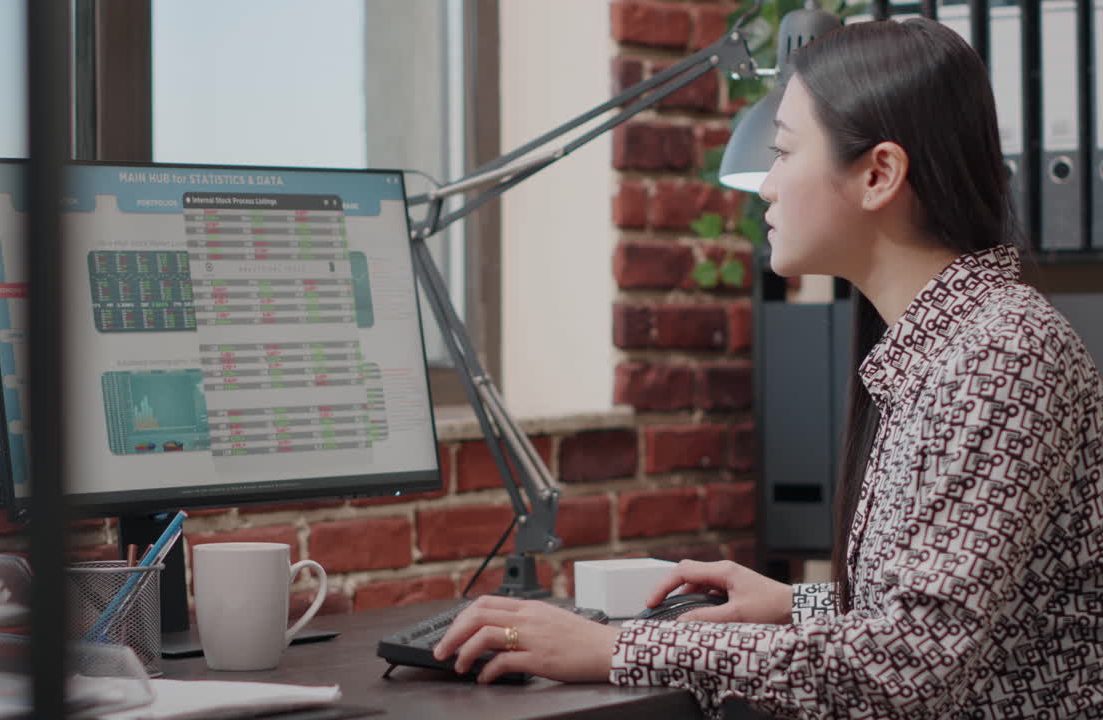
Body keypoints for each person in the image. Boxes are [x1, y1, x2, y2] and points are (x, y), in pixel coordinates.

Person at [432, 17, 1103, 719]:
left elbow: (911, 668)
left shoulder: (999, 354)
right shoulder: (946, 345)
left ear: (879, 174)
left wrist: (620, 648)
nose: (766, 187)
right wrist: (796, 604)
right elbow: (954, 619)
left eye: (784, 152)